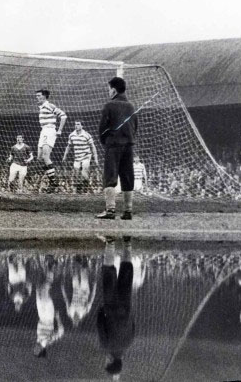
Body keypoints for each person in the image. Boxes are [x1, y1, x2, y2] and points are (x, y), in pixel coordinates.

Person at [96, 77, 138, 220]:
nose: (108, 92)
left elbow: (102, 128)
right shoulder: (131, 106)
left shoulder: (109, 106)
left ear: (113, 90)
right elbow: (135, 126)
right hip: (128, 145)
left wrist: (106, 141)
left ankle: (110, 210)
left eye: (109, 89)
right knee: (127, 177)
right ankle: (128, 211)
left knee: (110, 176)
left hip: (113, 145)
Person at [96, 236, 136, 378]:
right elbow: (100, 325)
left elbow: (133, 324)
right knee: (108, 274)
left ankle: (127, 243)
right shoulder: (107, 346)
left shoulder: (129, 343)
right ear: (111, 361)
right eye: (106, 363)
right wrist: (101, 310)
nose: (105, 360)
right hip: (111, 307)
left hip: (126, 306)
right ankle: (110, 243)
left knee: (126, 273)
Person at [35, 89, 67, 193]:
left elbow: (63, 116)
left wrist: (59, 130)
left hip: (49, 131)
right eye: (36, 96)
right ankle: (50, 177)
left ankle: (53, 182)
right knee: (39, 158)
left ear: (44, 96)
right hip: (43, 131)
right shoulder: (41, 107)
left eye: (39, 95)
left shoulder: (49, 105)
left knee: (45, 156)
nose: (37, 97)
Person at [33, 256, 64, 357]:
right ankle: (51, 265)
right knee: (44, 290)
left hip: (41, 315)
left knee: (38, 289)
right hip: (48, 316)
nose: (34, 348)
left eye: (34, 350)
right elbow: (61, 332)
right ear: (41, 350)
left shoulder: (39, 340)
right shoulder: (47, 341)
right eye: (36, 351)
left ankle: (47, 267)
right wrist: (58, 318)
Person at [62, 121, 99, 194]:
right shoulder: (71, 135)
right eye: (75, 124)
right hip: (77, 157)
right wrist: (64, 156)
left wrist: (96, 159)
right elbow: (68, 146)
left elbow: (93, 147)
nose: (76, 126)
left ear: (82, 126)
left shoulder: (87, 135)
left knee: (84, 173)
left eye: (78, 124)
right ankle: (79, 191)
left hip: (86, 156)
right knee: (76, 174)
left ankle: (85, 189)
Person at [61, 255, 97, 327]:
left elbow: (66, 300)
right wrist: (94, 287)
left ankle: (77, 258)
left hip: (76, 290)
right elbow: (92, 298)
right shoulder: (84, 311)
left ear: (72, 320)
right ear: (79, 320)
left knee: (75, 274)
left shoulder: (70, 312)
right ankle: (85, 258)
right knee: (83, 273)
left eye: (73, 320)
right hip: (84, 290)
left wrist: (63, 289)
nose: (75, 319)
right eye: (76, 321)